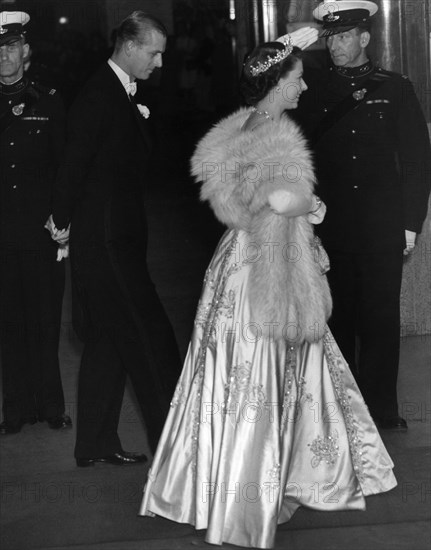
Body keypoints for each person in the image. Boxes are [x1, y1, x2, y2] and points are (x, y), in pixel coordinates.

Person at [140, 28, 397, 549]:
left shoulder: (251, 122)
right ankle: (246, 500)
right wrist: (313, 206)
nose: (303, 88)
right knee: (261, 377)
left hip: (241, 261)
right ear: (277, 84)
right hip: (265, 268)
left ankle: (264, 483)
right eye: (297, 79)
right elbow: (275, 201)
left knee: (258, 377)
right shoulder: (270, 132)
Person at [46, 11, 182, 466]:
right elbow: (72, 165)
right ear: (127, 46)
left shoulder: (116, 92)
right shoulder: (98, 95)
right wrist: (61, 221)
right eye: (154, 51)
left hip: (116, 239)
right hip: (106, 245)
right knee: (152, 341)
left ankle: (95, 446)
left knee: (109, 343)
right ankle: (177, 453)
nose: (159, 62)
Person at [294, 0, 431, 430]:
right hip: (330, 224)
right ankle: (340, 409)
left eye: (344, 35)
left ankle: (383, 411)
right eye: (330, 35)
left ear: (365, 38)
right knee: (337, 314)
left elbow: (414, 162)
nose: (335, 44)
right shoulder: (311, 90)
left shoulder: (395, 87)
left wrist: (410, 224)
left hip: (381, 225)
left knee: (380, 316)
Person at [0, 11, 72, 434]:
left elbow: (65, 165)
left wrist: (64, 219)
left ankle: (51, 405)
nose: (4, 57)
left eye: (11, 48)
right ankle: (16, 410)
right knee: (8, 322)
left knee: (46, 320)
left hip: (39, 230)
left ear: (25, 50)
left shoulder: (48, 98)